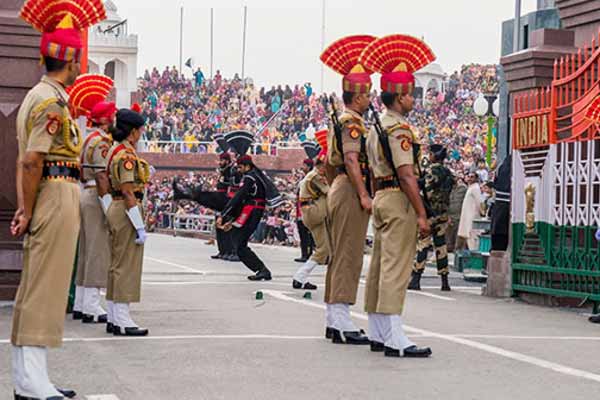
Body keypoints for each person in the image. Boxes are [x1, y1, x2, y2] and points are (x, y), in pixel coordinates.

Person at [10, 3, 106, 398]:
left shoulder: (44, 95)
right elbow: (32, 160)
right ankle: (31, 383)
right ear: (73, 60)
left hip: (52, 190)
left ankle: (33, 377)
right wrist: (28, 208)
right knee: (43, 286)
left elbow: (26, 160)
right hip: (53, 191)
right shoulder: (51, 101)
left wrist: (24, 205)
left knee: (43, 286)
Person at [361, 33, 433, 358]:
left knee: (379, 265)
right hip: (398, 198)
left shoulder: (376, 127)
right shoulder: (401, 129)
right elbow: (407, 173)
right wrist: (420, 212)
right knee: (396, 267)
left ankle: (378, 330)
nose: (413, 100)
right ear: (400, 95)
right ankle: (395, 338)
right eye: (411, 94)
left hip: (382, 196)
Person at [320, 35, 377, 345]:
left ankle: (334, 318)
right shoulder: (352, 122)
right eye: (367, 94)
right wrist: (364, 194)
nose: (370, 100)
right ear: (357, 96)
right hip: (352, 188)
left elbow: (330, 164)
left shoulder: (341, 120)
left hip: (341, 187)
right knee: (349, 255)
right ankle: (341, 320)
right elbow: (353, 159)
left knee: (340, 253)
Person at [105, 108, 151, 336]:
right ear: (133, 132)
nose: (141, 134)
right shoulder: (126, 156)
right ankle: (123, 319)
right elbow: (128, 191)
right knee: (126, 265)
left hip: (117, 207)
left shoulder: (115, 150)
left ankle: (114, 315)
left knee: (116, 264)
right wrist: (139, 225)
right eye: (140, 130)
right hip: (126, 209)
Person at [74, 97, 117, 324]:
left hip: (87, 194)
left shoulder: (88, 138)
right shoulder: (101, 142)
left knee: (86, 250)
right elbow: (101, 175)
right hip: (96, 194)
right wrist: (108, 204)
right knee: (97, 250)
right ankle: (91, 305)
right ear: (105, 120)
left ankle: (81, 302)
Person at [218, 131, 279, 280]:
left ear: (246, 166)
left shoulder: (250, 178)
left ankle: (262, 270)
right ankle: (261, 269)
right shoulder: (252, 176)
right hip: (250, 210)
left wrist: (225, 215)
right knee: (239, 243)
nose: (238, 170)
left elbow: (239, 197)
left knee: (240, 244)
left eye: (239, 167)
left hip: (253, 211)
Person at [409, 144, 455, 291]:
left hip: (430, 213)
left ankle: (416, 279)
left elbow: (425, 189)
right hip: (442, 213)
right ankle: (444, 280)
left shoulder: (431, 170)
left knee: (423, 245)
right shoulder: (448, 172)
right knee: (441, 247)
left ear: (433, 155)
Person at [292, 150, 330, 290]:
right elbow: (330, 192)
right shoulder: (315, 177)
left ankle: (300, 277)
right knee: (323, 248)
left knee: (326, 247)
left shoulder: (312, 175)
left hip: (311, 213)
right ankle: (300, 276)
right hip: (315, 213)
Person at [295, 158, 316, 263]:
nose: (302, 167)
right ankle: (304, 254)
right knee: (302, 232)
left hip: (307, 208)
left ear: (308, 166)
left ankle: (308, 254)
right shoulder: (304, 178)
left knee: (307, 233)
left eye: (303, 165)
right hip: (300, 208)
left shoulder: (311, 178)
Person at [457, 171, 483, 250]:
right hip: (467, 215)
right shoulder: (470, 187)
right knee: (467, 237)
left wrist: (482, 212)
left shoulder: (475, 188)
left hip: (472, 216)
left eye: (472, 177)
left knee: (472, 236)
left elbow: (479, 202)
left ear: (476, 179)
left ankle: (474, 256)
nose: (470, 179)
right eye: (469, 177)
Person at [446, 175, 468, 252]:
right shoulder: (447, 188)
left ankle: (458, 251)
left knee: (458, 236)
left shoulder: (463, 188)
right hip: (449, 216)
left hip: (460, 215)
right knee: (449, 237)